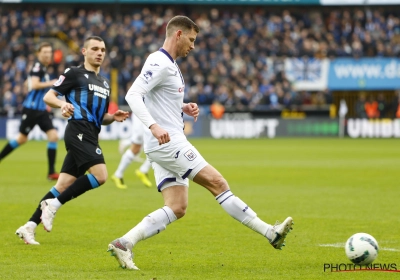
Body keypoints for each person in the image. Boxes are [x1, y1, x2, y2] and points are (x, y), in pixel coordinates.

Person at [107, 16, 293, 270]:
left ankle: (124, 243)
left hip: (163, 143)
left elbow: (158, 96)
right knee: (218, 183)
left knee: (177, 206)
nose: (193, 46)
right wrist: (154, 125)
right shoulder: (159, 61)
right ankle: (270, 233)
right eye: (192, 40)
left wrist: (182, 106)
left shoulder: (170, 64)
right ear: (179, 34)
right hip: (168, 142)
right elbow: (133, 94)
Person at [15, 36, 129, 245]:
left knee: (62, 185)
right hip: (78, 129)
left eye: (102, 50)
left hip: (91, 132)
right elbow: (48, 96)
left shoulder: (104, 83)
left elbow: (100, 117)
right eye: (95, 49)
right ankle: (54, 206)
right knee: (101, 176)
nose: (100, 53)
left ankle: (29, 226)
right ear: (84, 52)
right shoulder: (74, 73)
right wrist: (62, 105)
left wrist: (113, 117)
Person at [0, 42, 60, 180]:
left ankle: (51, 172)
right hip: (32, 109)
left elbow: (29, 83)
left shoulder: (42, 68)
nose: (47, 55)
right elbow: (34, 84)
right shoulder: (38, 67)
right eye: (44, 52)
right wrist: (51, 83)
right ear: (38, 54)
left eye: (49, 52)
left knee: (53, 136)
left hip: (41, 110)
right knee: (21, 139)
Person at [111, 113, 152, 189]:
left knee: (158, 145)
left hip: (150, 116)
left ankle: (119, 174)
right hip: (142, 115)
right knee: (138, 145)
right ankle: (119, 174)